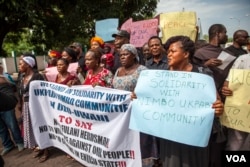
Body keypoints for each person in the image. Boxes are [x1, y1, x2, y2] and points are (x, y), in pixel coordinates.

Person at [159, 35, 224, 167]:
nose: (169, 55)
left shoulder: (203, 75)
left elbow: (216, 101)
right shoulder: (161, 77)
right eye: (168, 52)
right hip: (171, 137)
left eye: (173, 51)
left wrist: (218, 108)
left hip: (196, 137)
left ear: (186, 54)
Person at [112, 44, 159, 167]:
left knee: (140, 143)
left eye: (126, 54)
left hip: (139, 114)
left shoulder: (142, 70)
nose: (122, 57)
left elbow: (151, 90)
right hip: (122, 115)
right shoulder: (118, 71)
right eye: (121, 55)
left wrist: (139, 95)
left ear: (134, 56)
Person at [18, 55, 49, 163]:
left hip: (36, 107)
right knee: (32, 128)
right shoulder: (22, 77)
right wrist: (22, 107)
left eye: (21, 64)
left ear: (28, 65)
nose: (19, 66)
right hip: (26, 107)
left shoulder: (37, 76)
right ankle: (39, 147)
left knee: (40, 126)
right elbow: (21, 94)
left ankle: (46, 150)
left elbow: (44, 92)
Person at [221, 53, 250, 151]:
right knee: (236, 144)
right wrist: (226, 89)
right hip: (241, 113)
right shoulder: (243, 59)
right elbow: (229, 82)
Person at [0, 64, 24, 156]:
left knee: (12, 125)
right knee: (1, 129)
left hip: (6, 105)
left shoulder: (3, 78)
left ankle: (19, 142)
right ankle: (8, 145)